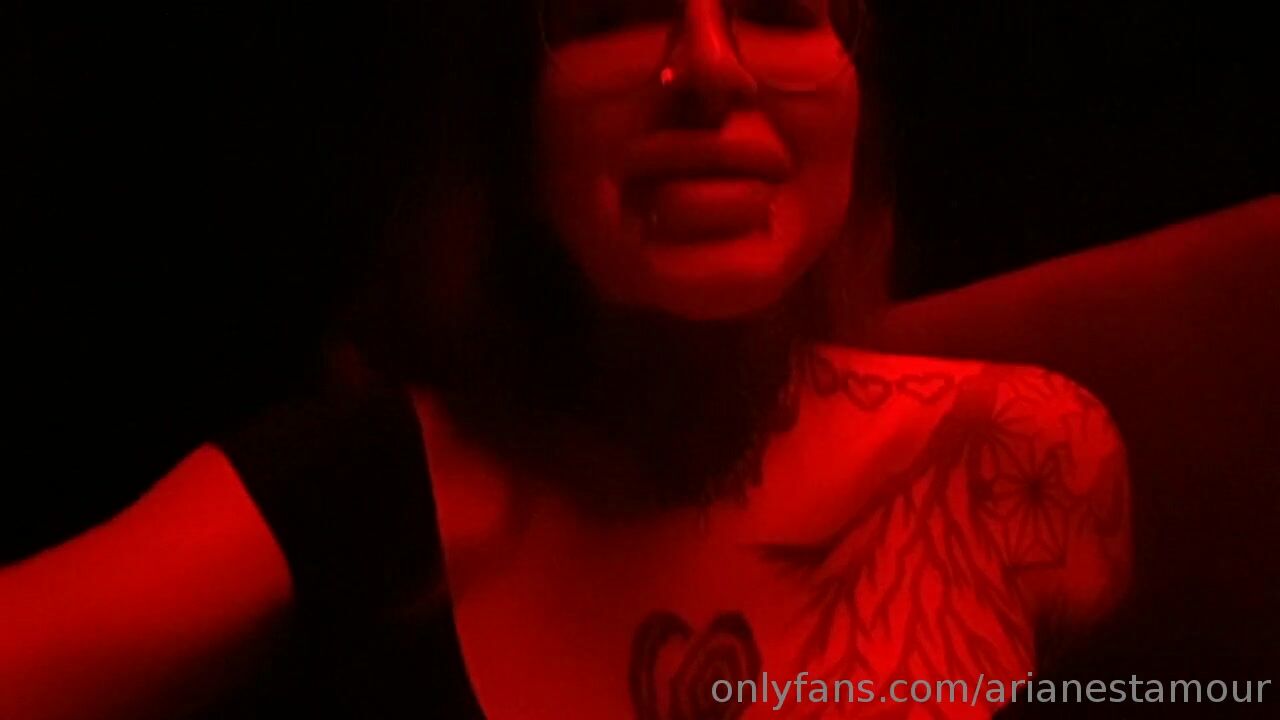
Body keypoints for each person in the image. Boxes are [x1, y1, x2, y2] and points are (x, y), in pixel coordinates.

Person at [0, 1, 1134, 718]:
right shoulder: (361, 484)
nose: (709, 67)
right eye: (612, 9)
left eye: (780, 6)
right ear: (512, 125)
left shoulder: (1022, 463)